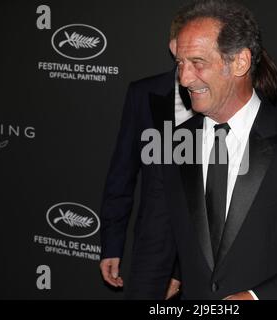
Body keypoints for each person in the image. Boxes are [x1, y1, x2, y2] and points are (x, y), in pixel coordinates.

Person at [127, 0, 277, 300]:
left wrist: (258, 298)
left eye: (197, 62)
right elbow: (153, 249)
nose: (183, 78)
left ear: (240, 62)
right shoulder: (169, 143)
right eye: (180, 63)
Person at [99, 15, 194, 299]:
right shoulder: (143, 94)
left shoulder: (225, 101)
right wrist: (112, 245)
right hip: (152, 249)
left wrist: (178, 271)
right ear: (174, 46)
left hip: (208, 257)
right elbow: (122, 173)